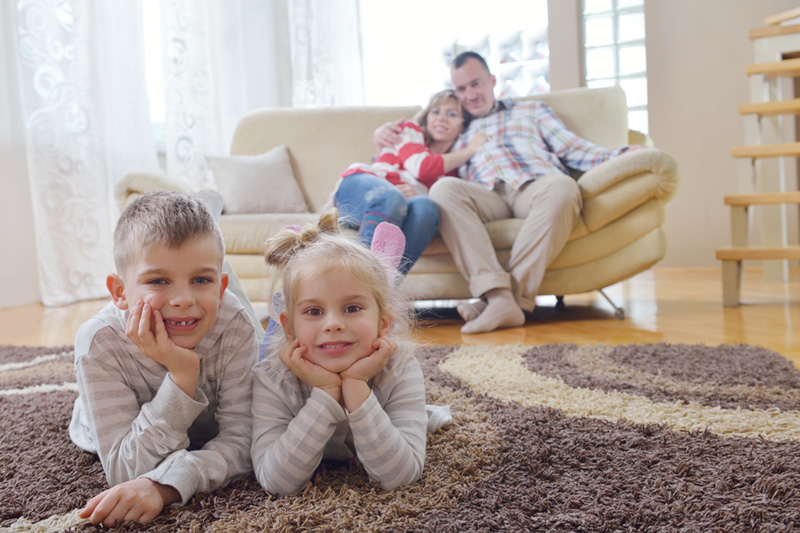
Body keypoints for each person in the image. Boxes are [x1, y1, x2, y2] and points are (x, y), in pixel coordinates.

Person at [375, 51, 642, 333]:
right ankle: (500, 299)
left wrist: (621, 154)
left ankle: (500, 301)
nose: (470, 95)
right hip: (485, 196)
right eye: (461, 89)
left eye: (476, 84)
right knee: (444, 189)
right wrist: (382, 132)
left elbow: (572, 148)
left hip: (536, 185)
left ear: (491, 80)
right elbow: (420, 149)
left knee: (564, 186)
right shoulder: (456, 125)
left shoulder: (531, 110)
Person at [69, 191, 257, 527]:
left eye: (201, 280)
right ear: (120, 292)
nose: (183, 300)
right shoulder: (98, 343)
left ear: (221, 286)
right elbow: (125, 470)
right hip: (106, 420)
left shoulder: (234, 324)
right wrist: (182, 376)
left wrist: (166, 485)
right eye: (158, 281)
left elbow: (243, 443)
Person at [250, 210, 429, 496]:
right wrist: (325, 392)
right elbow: (276, 482)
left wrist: (356, 387)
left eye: (352, 308)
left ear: (384, 323)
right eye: (314, 311)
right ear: (289, 327)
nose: (333, 324)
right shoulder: (274, 376)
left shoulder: (400, 369)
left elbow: (401, 478)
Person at [334, 89, 488, 274]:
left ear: (463, 126)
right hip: (361, 189)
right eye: (436, 111)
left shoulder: (452, 177)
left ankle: (383, 290)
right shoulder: (410, 130)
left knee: (426, 207)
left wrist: (418, 195)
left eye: (452, 114)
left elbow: (438, 204)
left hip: (396, 209)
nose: (441, 118)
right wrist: (470, 150)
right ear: (428, 116)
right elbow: (422, 167)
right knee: (391, 197)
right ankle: (364, 279)